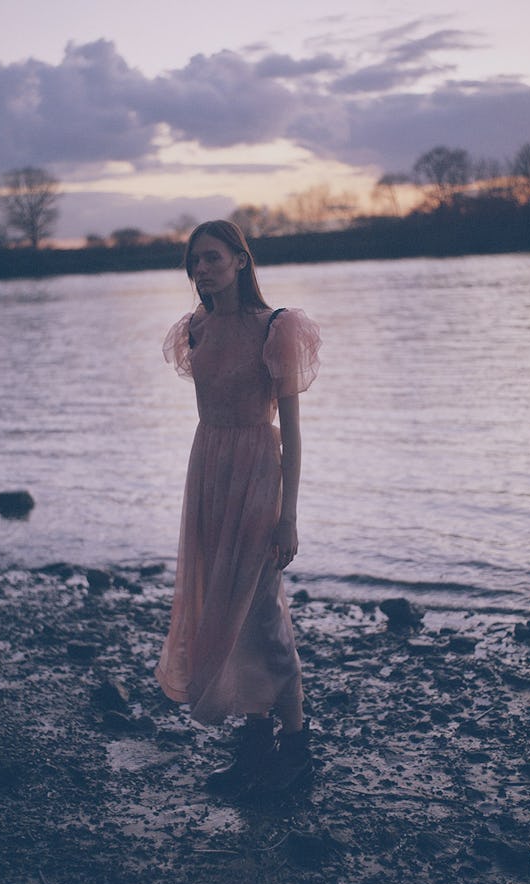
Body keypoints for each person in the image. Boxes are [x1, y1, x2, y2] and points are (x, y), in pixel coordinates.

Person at [155, 220, 321, 796]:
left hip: (256, 472)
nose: (200, 270)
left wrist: (288, 515)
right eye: (193, 262)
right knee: (227, 613)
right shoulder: (195, 329)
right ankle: (254, 748)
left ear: (240, 261)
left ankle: (297, 750)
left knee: (265, 617)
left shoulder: (276, 328)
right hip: (208, 472)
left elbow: (292, 435)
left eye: (211, 258)